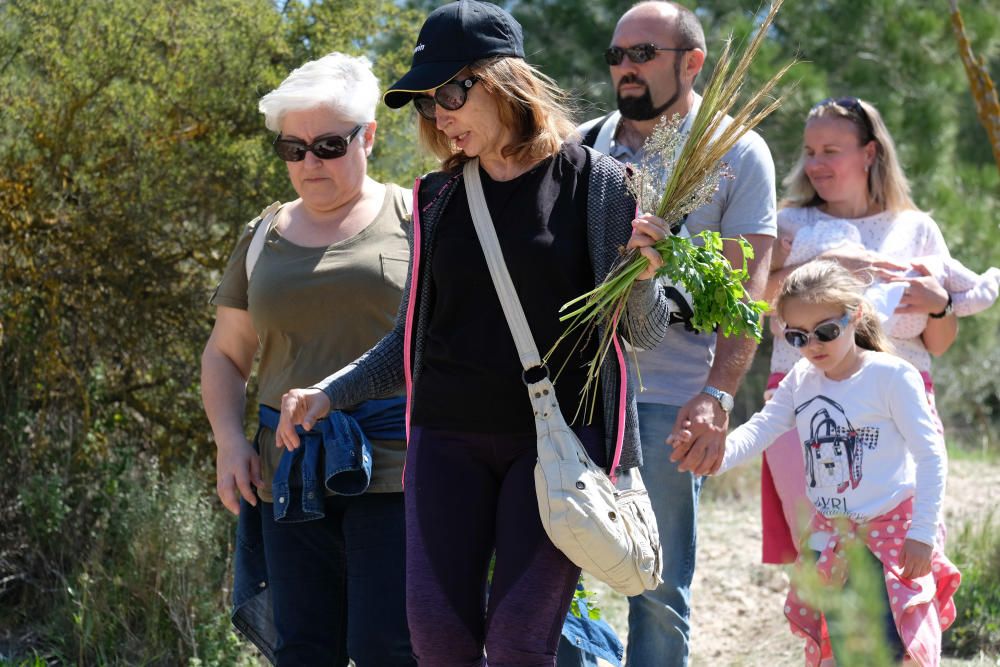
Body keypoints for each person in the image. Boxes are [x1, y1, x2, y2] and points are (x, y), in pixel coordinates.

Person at [275, 1, 674, 664]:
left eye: (452, 92)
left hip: (556, 451)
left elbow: (645, 333)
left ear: (504, 80)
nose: (441, 116)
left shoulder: (601, 186)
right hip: (443, 444)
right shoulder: (436, 199)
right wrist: (327, 392)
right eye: (428, 103)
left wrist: (643, 276)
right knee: (438, 639)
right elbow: (409, 343)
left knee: (520, 642)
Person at [569, 2, 777, 664]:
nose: (624, 69)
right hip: (574, 397)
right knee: (546, 580)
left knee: (657, 594)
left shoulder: (737, 151)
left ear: (692, 62)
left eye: (642, 54)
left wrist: (718, 395)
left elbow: (747, 291)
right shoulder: (583, 144)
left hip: (669, 400)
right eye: (616, 56)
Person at [200, 53, 414, 665]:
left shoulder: (416, 217)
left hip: (397, 472)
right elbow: (225, 353)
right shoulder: (263, 233)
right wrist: (228, 443)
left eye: (326, 145)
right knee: (303, 649)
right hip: (286, 473)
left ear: (368, 136)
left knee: (388, 648)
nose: (308, 164)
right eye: (292, 149)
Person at [670, 260, 961, 667]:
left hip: (890, 540)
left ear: (855, 315)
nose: (812, 345)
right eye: (797, 336)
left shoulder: (892, 377)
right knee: (849, 654)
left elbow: (931, 456)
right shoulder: (801, 380)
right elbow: (761, 430)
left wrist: (923, 533)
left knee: (897, 653)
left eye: (826, 331)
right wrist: (713, 457)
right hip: (835, 540)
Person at [760, 97, 978, 564]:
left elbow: (936, 343)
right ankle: (831, 640)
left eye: (830, 150)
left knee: (907, 558)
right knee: (822, 563)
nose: (815, 163)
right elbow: (753, 299)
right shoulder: (789, 224)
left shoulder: (916, 228)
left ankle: (904, 639)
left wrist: (940, 307)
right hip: (804, 404)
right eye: (810, 151)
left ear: (870, 153)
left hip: (898, 403)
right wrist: (830, 265)